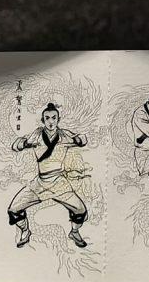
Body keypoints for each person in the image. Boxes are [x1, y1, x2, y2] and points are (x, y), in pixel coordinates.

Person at [7, 104, 90, 249]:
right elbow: (15, 145)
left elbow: (83, 140)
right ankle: (25, 231)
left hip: (59, 183)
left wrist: (77, 140)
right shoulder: (36, 134)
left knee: (81, 210)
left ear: (58, 119)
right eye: (47, 118)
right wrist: (25, 143)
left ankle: (74, 232)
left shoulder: (64, 135)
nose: (51, 121)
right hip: (40, 182)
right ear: (43, 120)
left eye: (54, 118)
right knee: (14, 209)